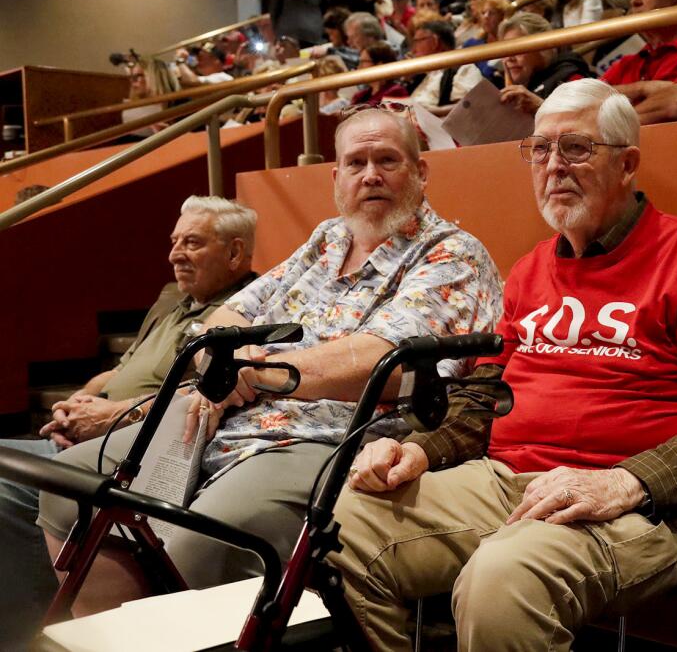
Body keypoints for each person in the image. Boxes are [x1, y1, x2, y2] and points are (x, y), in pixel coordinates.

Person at [329, 79, 677, 650]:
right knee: (343, 526)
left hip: (649, 507)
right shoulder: (530, 270)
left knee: (503, 578)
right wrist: (421, 449)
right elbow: (483, 399)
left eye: (576, 148)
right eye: (540, 149)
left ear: (627, 164)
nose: (553, 165)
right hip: (511, 483)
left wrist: (628, 480)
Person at [38, 110, 503, 616]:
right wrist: (230, 360)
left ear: (420, 172)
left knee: (206, 538)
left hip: (331, 438)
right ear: (337, 177)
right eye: (356, 162)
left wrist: (255, 373)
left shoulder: (451, 253)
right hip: (229, 418)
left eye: (387, 160)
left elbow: (385, 363)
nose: (371, 174)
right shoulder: (329, 239)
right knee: (69, 484)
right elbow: (225, 315)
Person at [0, 197, 256, 644]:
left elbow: (198, 393)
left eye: (192, 243)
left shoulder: (244, 313)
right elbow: (124, 368)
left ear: (235, 253)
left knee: (4, 488)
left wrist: (108, 416)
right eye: (175, 241)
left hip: (131, 449)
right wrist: (84, 396)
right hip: (86, 432)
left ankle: (32, 635)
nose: (175, 253)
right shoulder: (172, 297)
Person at [497, 12, 594, 113]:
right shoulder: (526, 84)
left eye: (518, 49)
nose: (509, 58)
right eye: (505, 50)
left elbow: (588, 117)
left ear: (542, 47)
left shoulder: (570, 76)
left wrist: (539, 105)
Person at [400, 20, 485, 115]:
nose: (413, 50)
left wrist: (423, 113)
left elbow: (468, 108)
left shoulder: (463, 68)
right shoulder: (422, 75)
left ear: (435, 41)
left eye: (417, 42)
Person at [350, 41, 404, 106]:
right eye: (359, 62)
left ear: (379, 65)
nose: (359, 66)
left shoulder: (395, 92)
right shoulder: (359, 96)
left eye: (363, 62)